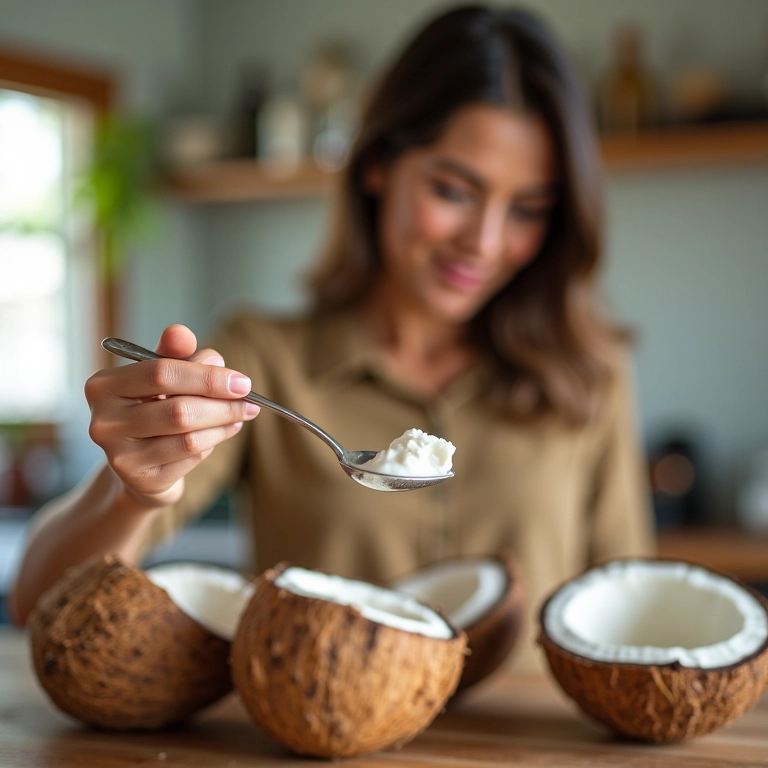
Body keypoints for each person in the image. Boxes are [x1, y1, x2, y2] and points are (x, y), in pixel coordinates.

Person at [9, 4, 655, 671]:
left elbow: (629, 611)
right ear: (378, 165)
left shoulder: (592, 374)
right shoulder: (266, 361)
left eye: (527, 210)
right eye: (453, 190)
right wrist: (133, 491)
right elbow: (38, 601)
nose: (486, 242)